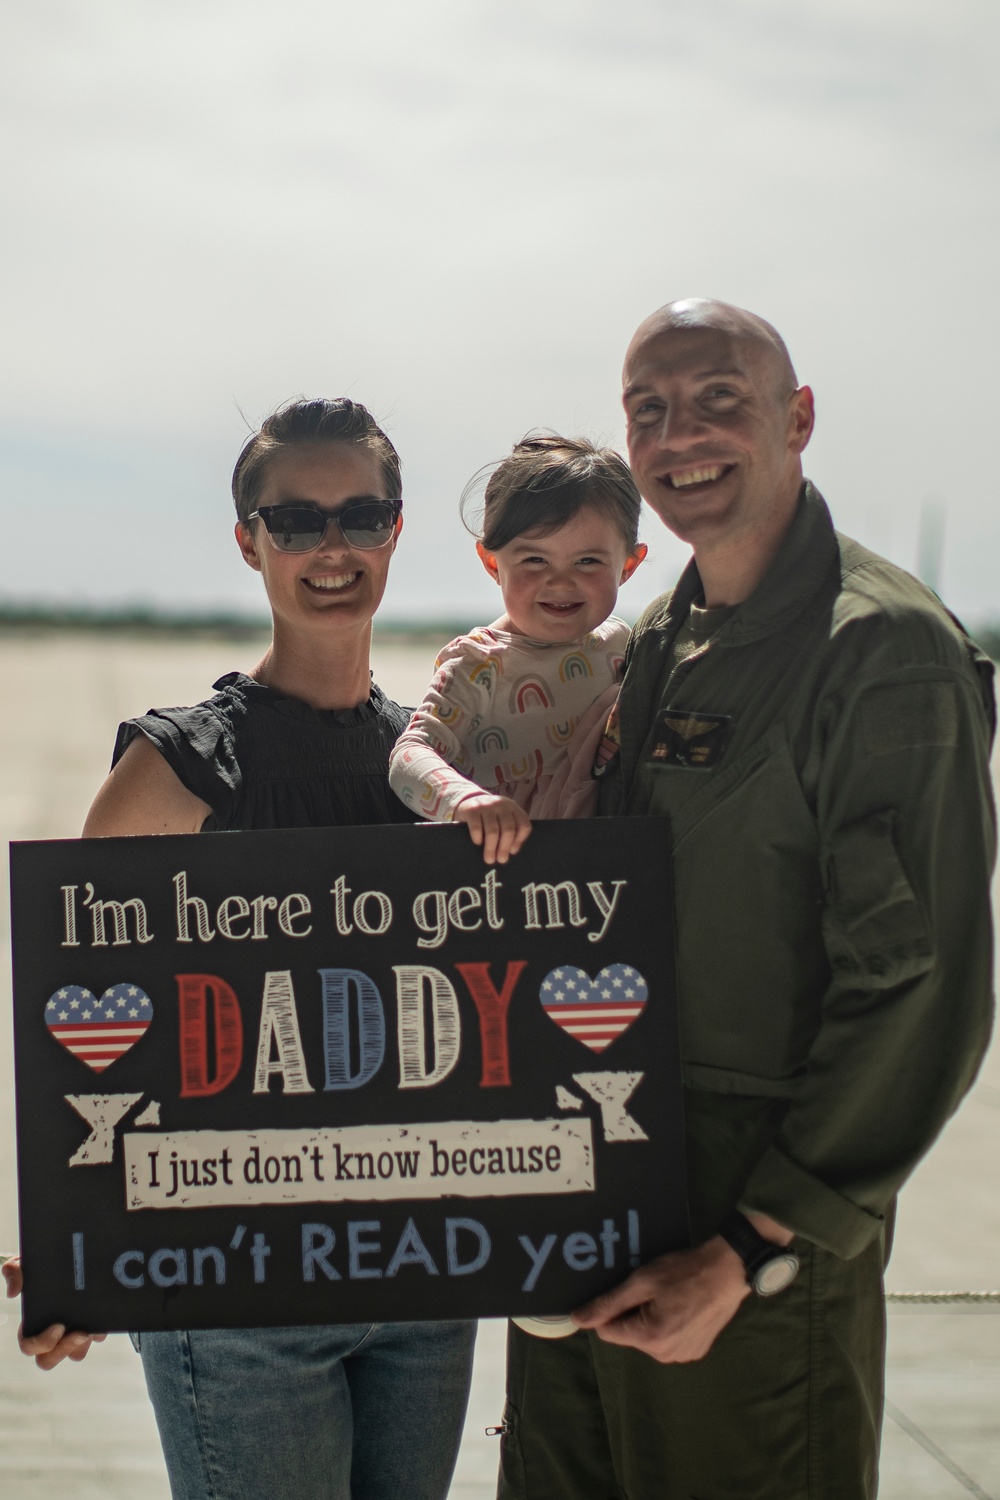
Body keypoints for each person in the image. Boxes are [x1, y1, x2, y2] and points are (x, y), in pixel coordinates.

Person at [498, 300, 997, 1499]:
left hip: (747, 1229)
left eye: (720, 395)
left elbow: (919, 994)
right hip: (602, 1188)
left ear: (798, 418)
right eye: (649, 409)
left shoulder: (880, 652)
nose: (683, 434)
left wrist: (748, 1251)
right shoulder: (662, 634)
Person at [3, 397, 476, 1500]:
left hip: (423, 1277)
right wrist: (79, 1247)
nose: (331, 548)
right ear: (247, 539)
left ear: (397, 530)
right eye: (296, 520)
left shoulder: (435, 772)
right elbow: (87, 1019)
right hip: (237, 1291)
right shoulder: (176, 769)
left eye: (362, 515)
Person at [388, 434, 646, 862]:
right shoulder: (479, 664)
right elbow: (409, 757)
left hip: (603, 866)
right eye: (534, 560)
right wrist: (465, 803)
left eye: (588, 561)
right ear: (493, 564)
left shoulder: (622, 646)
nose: (561, 581)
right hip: (508, 875)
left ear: (628, 565)